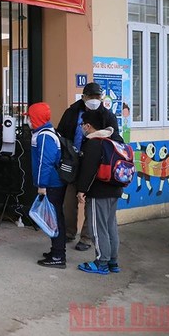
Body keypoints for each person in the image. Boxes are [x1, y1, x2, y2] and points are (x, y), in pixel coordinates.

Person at [57, 81, 122, 251]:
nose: (94, 99)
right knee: (69, 202)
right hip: (73, 162)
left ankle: (86, 238)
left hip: (96, 167)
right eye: (91, 96)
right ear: (84, 97)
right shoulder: (72, 112)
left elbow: (116, 140)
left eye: (97, 97)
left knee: (90, 203)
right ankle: (69, 232)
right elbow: (61, 134)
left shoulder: (107, 115)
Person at [75, 108, 123, 275]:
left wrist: (81, 190)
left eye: (82, 125)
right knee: (111, 226)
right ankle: (113, 261)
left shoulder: (95, 143)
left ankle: (101, 262)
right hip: (115, 189)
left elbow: (88, 170)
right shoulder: (114, 139)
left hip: (99, 192)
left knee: (98, 228)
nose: (82, 128)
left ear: (88, 126)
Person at [28, 102, 67, 268]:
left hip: (51, 183)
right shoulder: (45, 132)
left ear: (35, 118)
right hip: (53, 183)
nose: (28, 120)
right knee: (55, 217)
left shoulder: (44, 136)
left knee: (55, 218)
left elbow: (46, 162)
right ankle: (56, 250)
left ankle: (58, 255)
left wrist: (42, 185)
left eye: (29, 117)